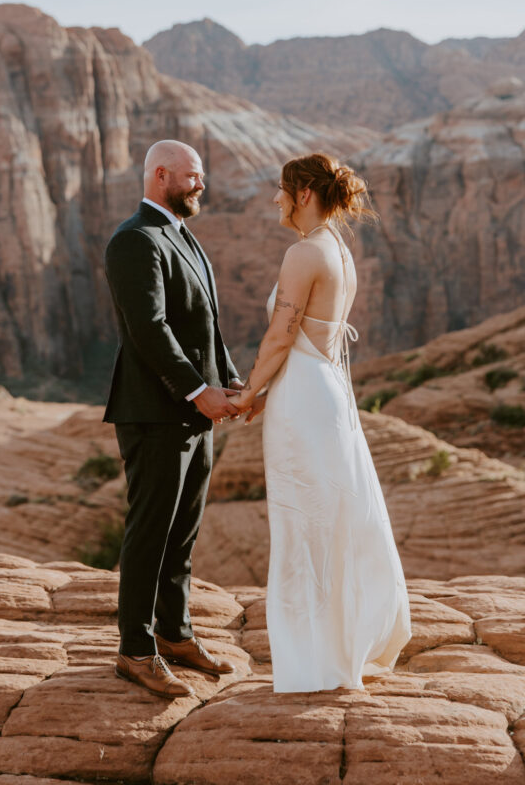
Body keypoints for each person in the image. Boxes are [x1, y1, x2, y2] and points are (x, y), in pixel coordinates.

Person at [232, 152, 411, 692]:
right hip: (322, 391)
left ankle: (314, 660)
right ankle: (341, 648)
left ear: (302, 195)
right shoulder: (339, 250)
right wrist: (272, 389)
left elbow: (281, 336)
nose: (276, 201)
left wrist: (247, 394)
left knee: (305, 523)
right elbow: (311, 341)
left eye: (282, 191)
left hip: (302, 402)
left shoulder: (303, 252)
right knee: (331, 520)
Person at [103, 139, 242, 698]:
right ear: (161, 176)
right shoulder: (134, 240)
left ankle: (176, 634)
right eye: (193, 176)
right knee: (150, 532)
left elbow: (205, 322)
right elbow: (150, 329)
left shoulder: (181, 236)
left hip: (190, 414)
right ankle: (135, 650)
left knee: (181, 532)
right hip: (156, 414)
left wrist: (227, 379)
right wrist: (195, 392)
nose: (201, 184)